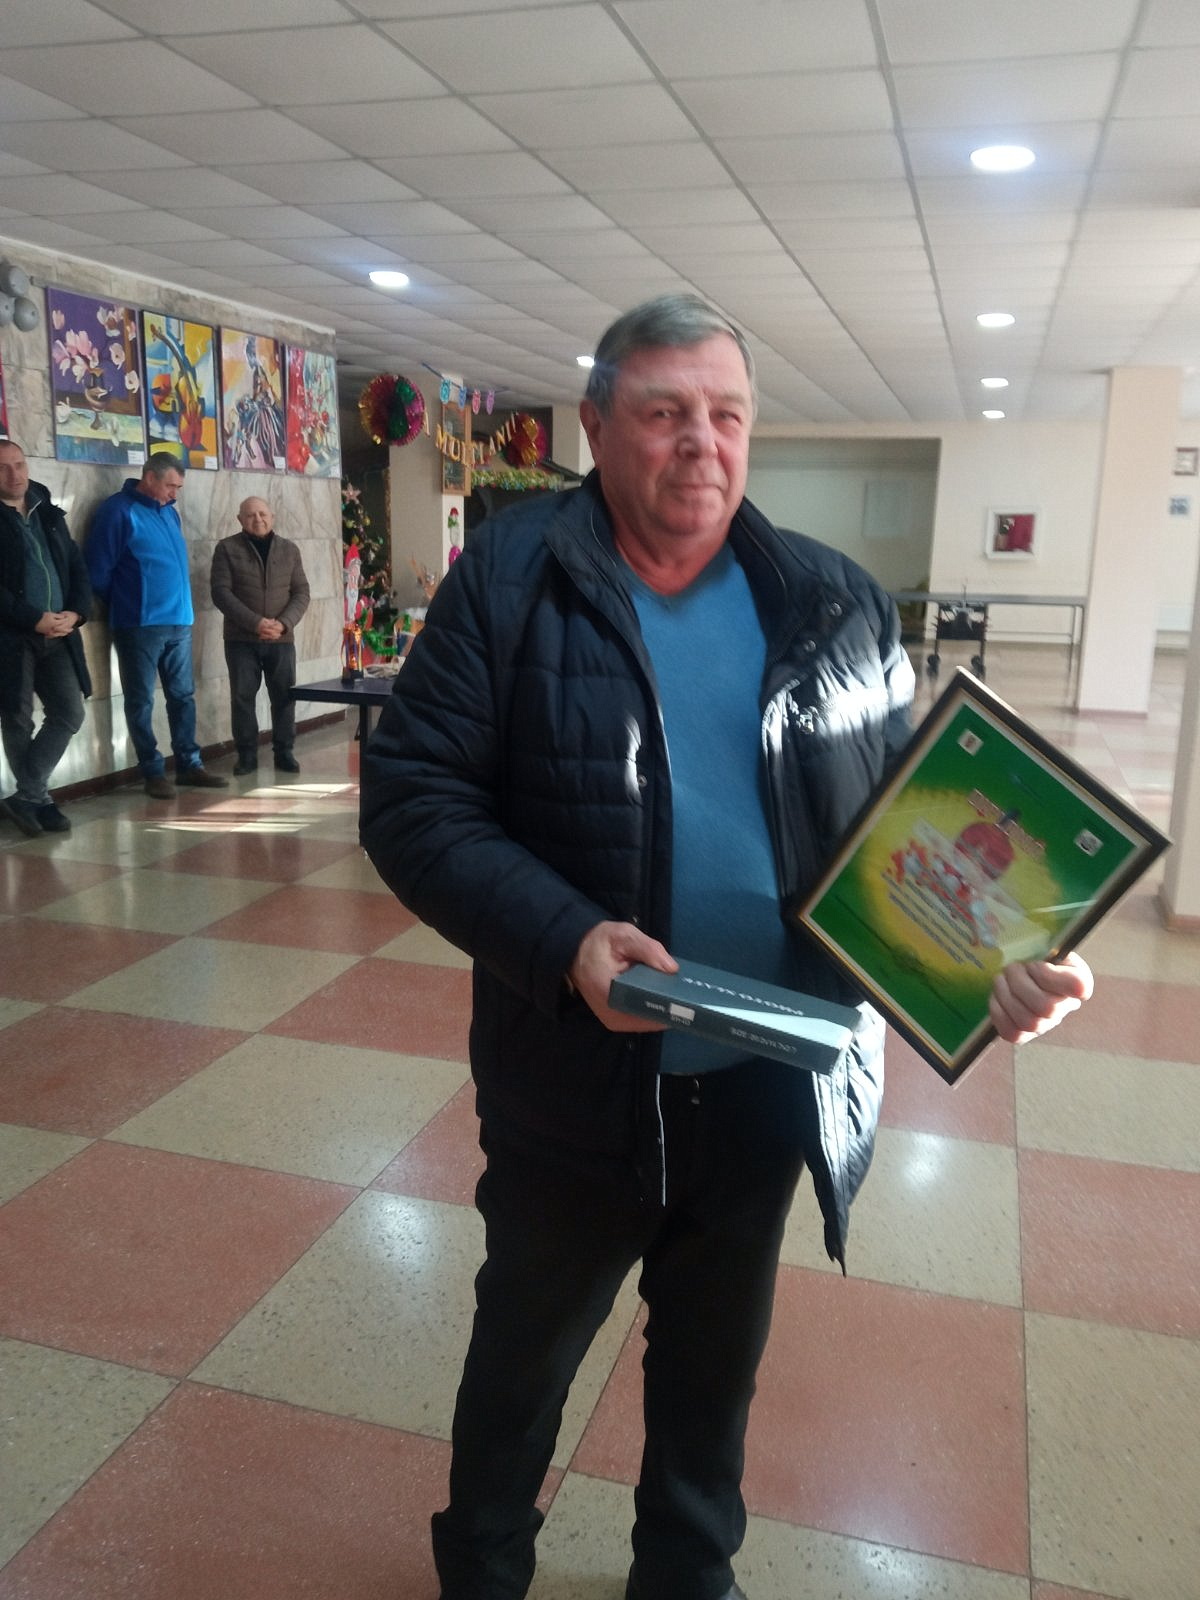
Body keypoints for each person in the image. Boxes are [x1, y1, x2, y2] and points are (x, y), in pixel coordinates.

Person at [359, 295, 1092, 1600]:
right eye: (664, 412)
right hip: (576, 1085)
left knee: (712, 1364)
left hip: (769, 1074)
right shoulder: (510, 581)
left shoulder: (834, 599)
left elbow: (901, 836)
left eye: (727, 413)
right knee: (525, 1356)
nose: (702, 440)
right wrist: (569, 939)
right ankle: (482, 1566)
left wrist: (998, 961)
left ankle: (687, 1574)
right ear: (597, 427)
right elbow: (414, 800)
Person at [86, 452, 227, 798]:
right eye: (170, 486)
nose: (174, 494)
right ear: (149, 477)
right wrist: (128, 601)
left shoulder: (169, 513)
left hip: (179, 621)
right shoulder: (118, 511)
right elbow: (98, 572)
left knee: (183, 697)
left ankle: (189, 765)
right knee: (141, 701)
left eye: (178, 487)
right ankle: (152, 771)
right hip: (139, 625)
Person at [0, 439, 92, 836]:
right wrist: (33, 618)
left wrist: (77, 612)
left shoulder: (47, 509)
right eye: (3, 467)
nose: (15, 474)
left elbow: (75, 564)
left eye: (19, 464)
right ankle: (38, 799)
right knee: (17, 718)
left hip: (59, 633)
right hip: (13, 637)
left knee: (70, 712)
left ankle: (27, 796)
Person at [210, 496, 310, 775]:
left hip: (281, 639)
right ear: (240, 519)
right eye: (251, 515)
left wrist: (283, 624)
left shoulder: (289, 550)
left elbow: (301, 592)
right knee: (242, 698)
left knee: (284, 696)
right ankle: (246, 756)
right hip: (241, 640)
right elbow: (221, 593)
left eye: (263, 514)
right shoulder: (227, 549)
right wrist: (255, 623)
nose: (258, 519)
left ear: (272, 517)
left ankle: (284, 752)